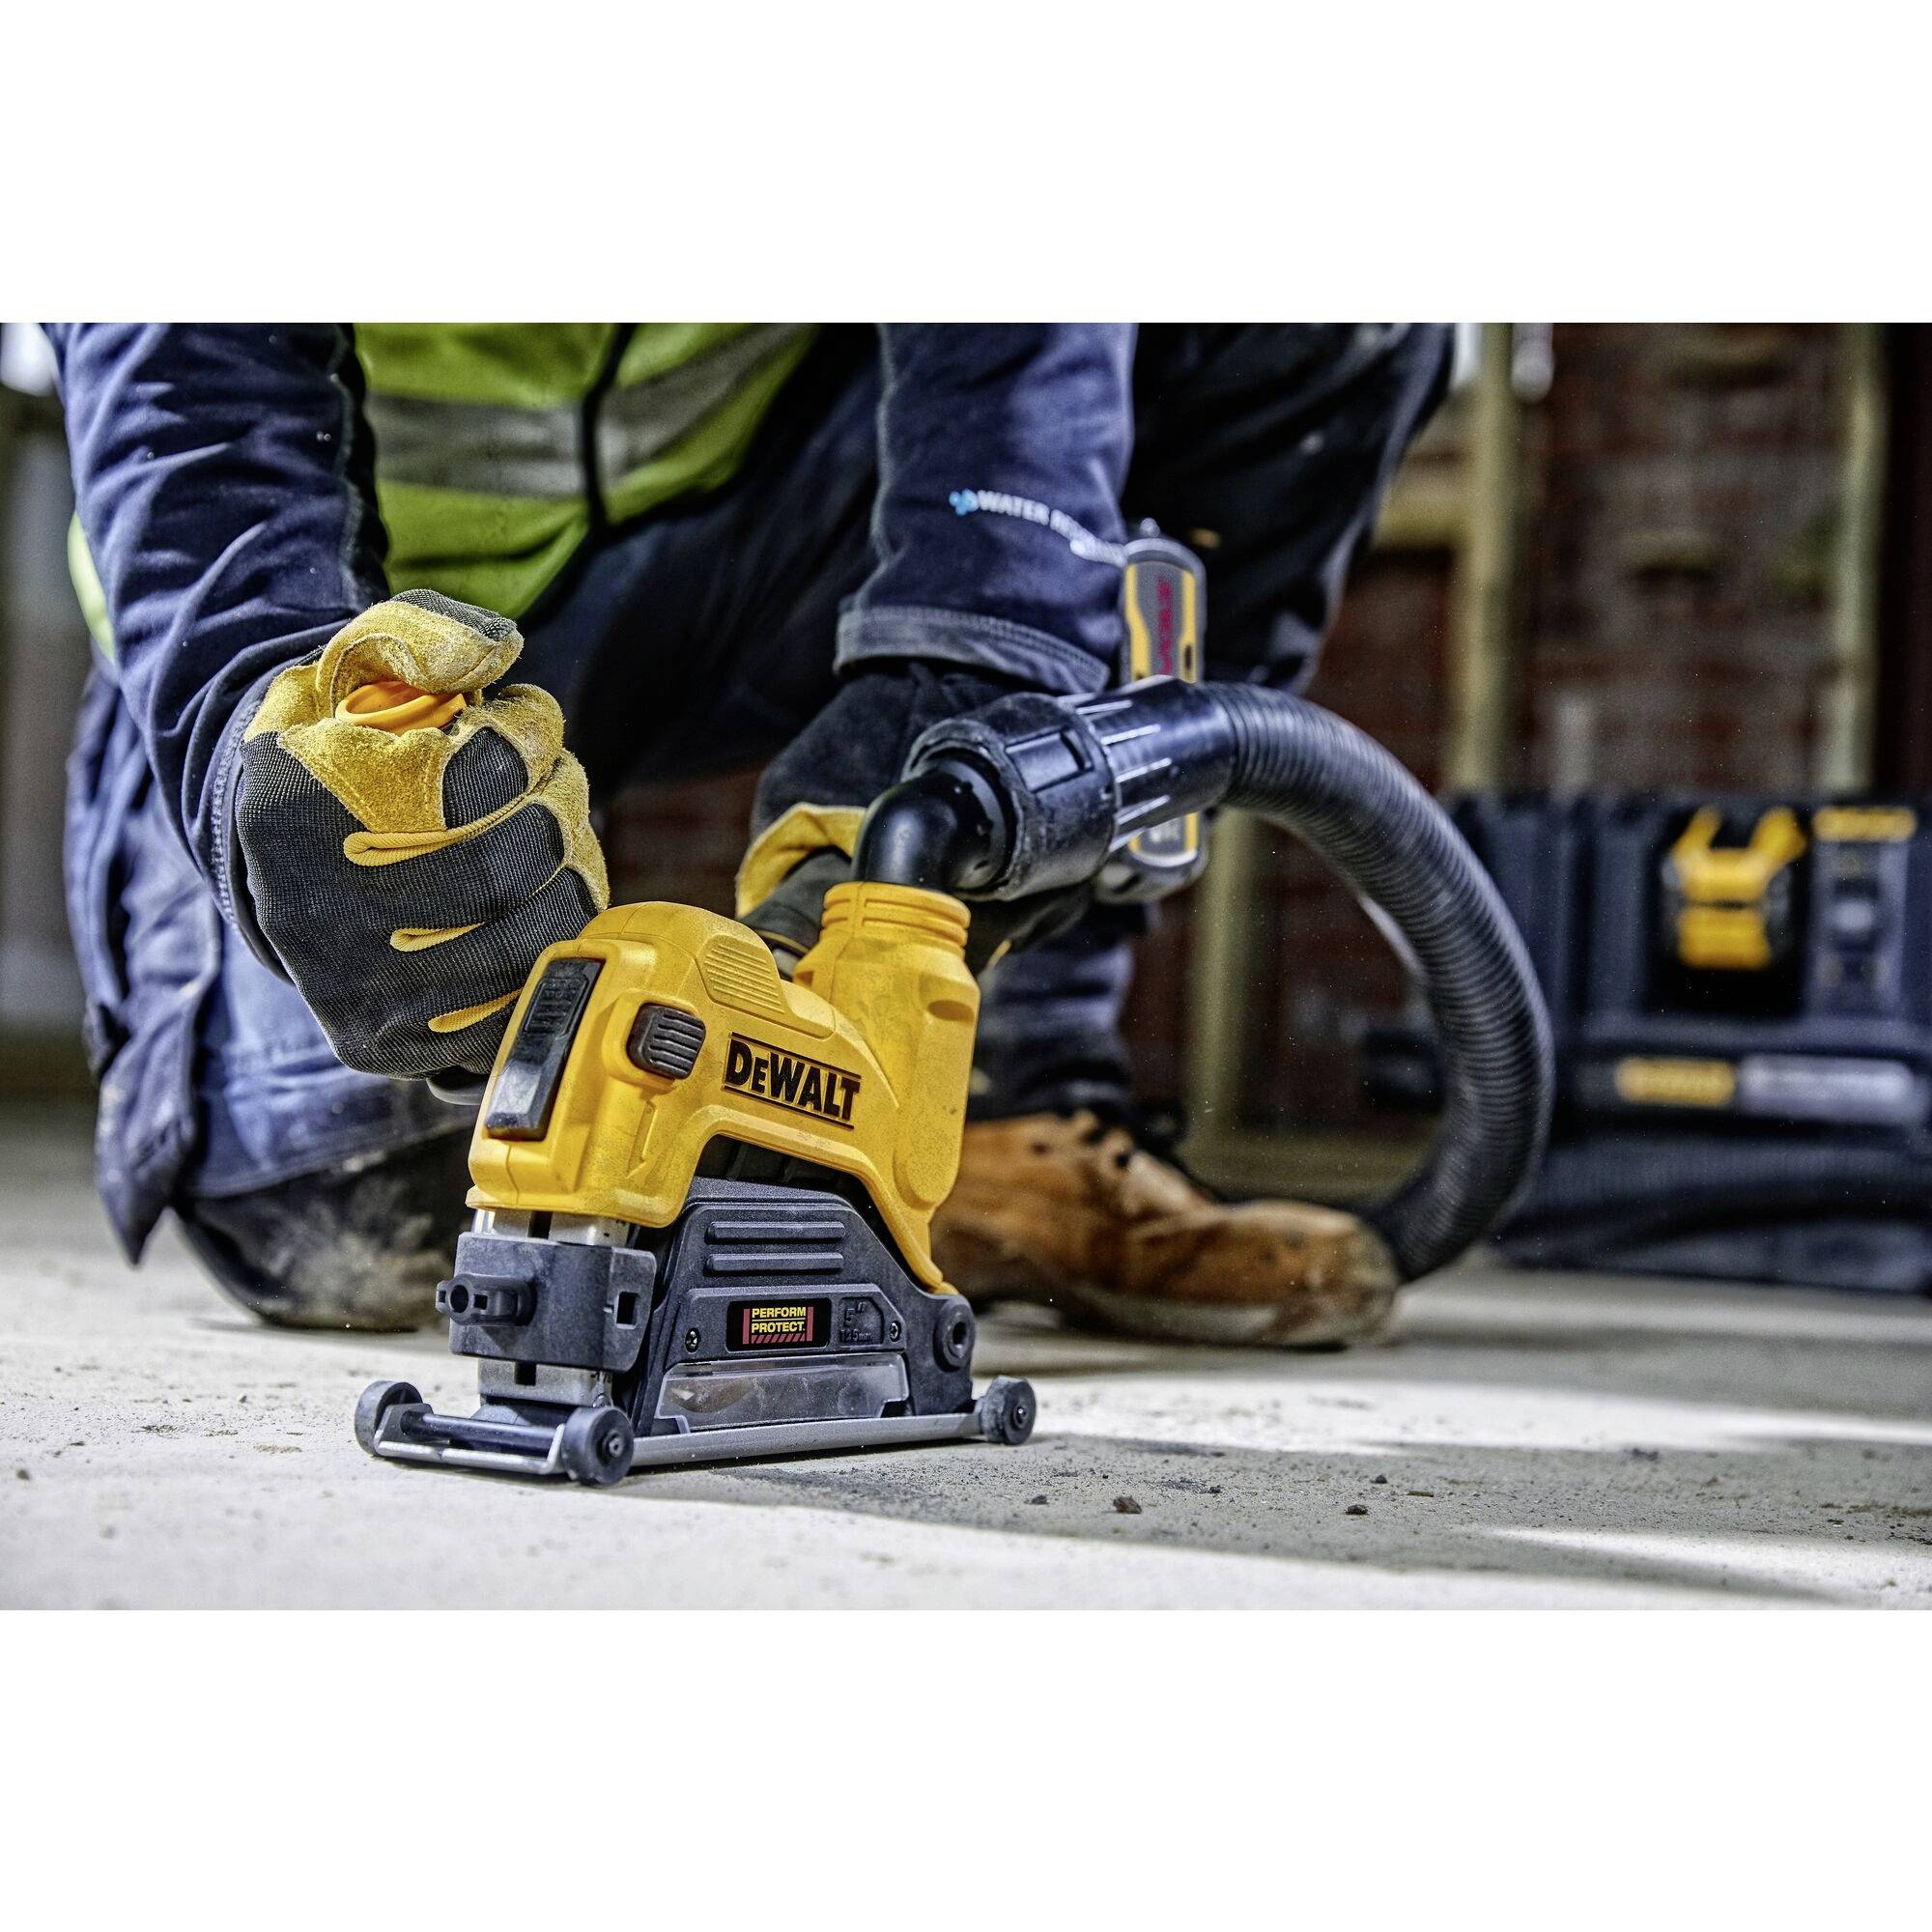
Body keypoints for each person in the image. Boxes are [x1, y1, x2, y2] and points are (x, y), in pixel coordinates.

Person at [50, 324, 1451, 1344]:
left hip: (742, 538)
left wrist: (972, 658)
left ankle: (995, 1098)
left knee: (1322, 310)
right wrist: (258, 691)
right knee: (355, 1225)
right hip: (356, 616)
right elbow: (179, 378)